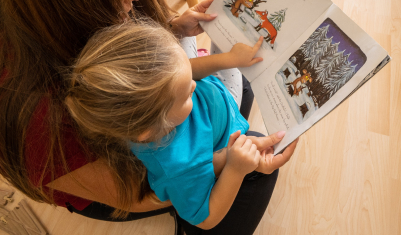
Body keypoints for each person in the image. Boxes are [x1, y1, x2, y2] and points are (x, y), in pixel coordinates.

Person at [0, 0, 296, 229]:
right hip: (143, 178)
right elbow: (138, 194)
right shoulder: (27, 115)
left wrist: (174, 29)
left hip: (164, 135)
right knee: (256, 173)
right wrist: (229, 163)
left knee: (242, 86)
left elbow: (175, 74)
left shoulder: (45, 9)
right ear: (72, 0)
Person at [65, 21, 297, 234]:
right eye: (187, 94)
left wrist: (229, 59)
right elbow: (206, 218)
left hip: (218, 105)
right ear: (150, 128)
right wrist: (235, 169)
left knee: (226, 51)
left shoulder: (156, 108)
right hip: (227, 126)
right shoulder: (180, 167)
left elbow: (191, 72)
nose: (195, 86)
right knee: (243, 83)